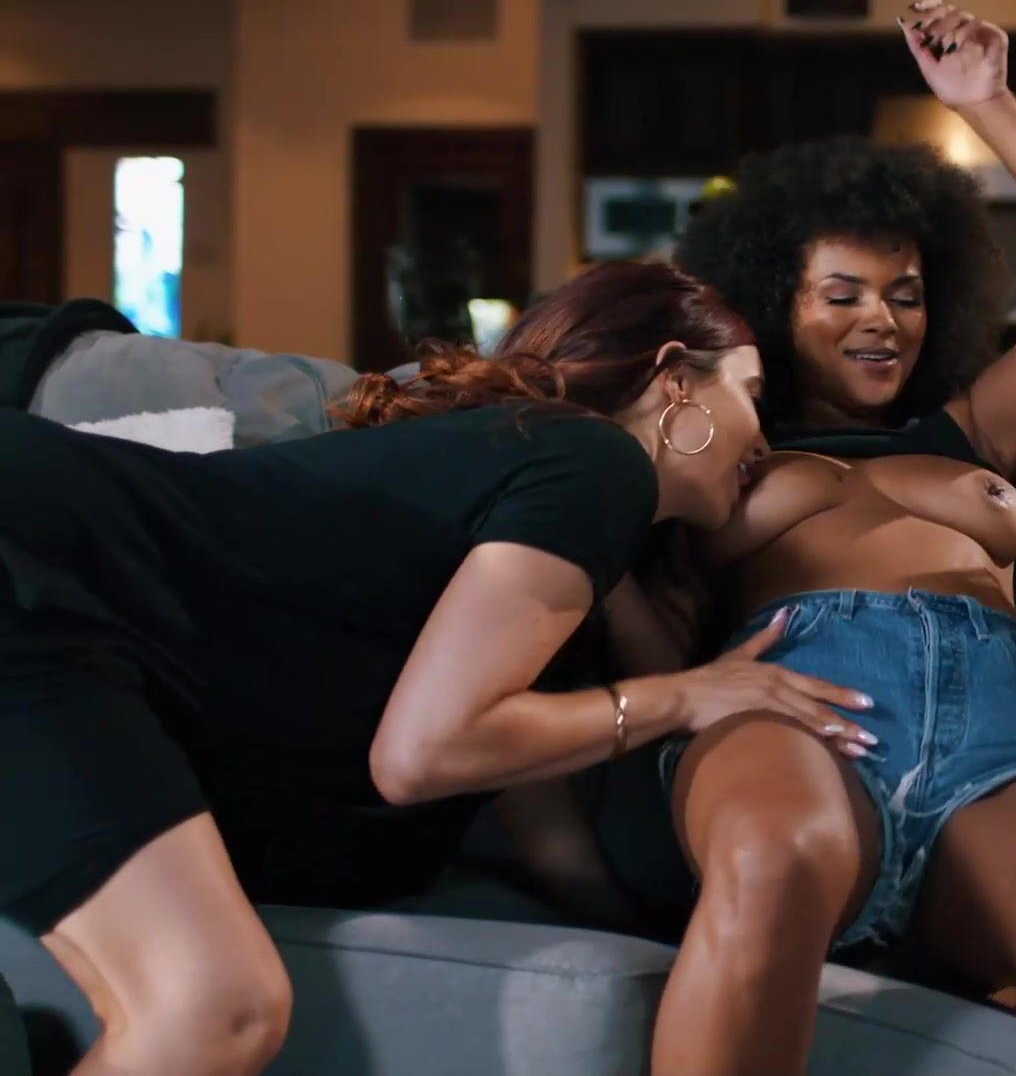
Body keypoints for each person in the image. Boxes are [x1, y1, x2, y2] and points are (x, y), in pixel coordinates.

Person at [0, 261, 872, 1076]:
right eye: (752, 394)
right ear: (676, 379)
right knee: (215, 1006)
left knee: (200, 1005)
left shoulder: (543, 527)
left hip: (65, 614)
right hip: (38, 570)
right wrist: (683, 697)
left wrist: (705, 927)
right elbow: (424, 753)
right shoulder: (597, 461)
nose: (765, 441)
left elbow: (546, 835)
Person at [637, 1, 1016, 1073]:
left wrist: (987, 103)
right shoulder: (725, 446)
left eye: (905, 296)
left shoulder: (970, 428)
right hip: (799, 705)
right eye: (842, 295)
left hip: (1001, 728)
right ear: (771, 301)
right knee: (768, 869)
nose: (883, 320)